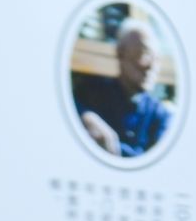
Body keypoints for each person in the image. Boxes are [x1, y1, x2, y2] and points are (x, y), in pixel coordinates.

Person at [74, 19, 174, 158]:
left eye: (157, 58)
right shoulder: (92, 92)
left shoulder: (161, 115)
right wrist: (84, 116)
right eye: (145, 54)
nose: (152, 66)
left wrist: (116, 148)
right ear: (121, 53)